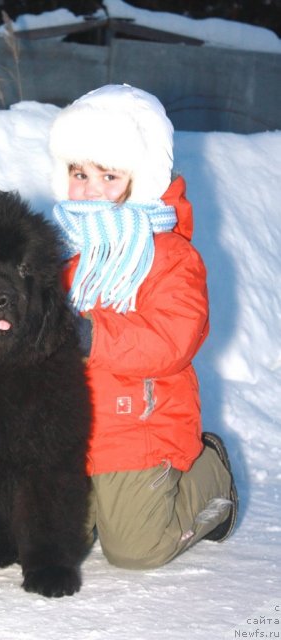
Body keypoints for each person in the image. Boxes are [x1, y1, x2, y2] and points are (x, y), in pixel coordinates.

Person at [49, 84, 238, 570]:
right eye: (79, 172)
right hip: (73, 430)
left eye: (109, 175)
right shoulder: (64, 253)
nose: (89, 189)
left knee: (135, 550)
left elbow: (170, 342)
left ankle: (210, 472)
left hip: (141, 427)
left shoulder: (172, 258)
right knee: (51, 541)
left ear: (145, 177)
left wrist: (89, 334)